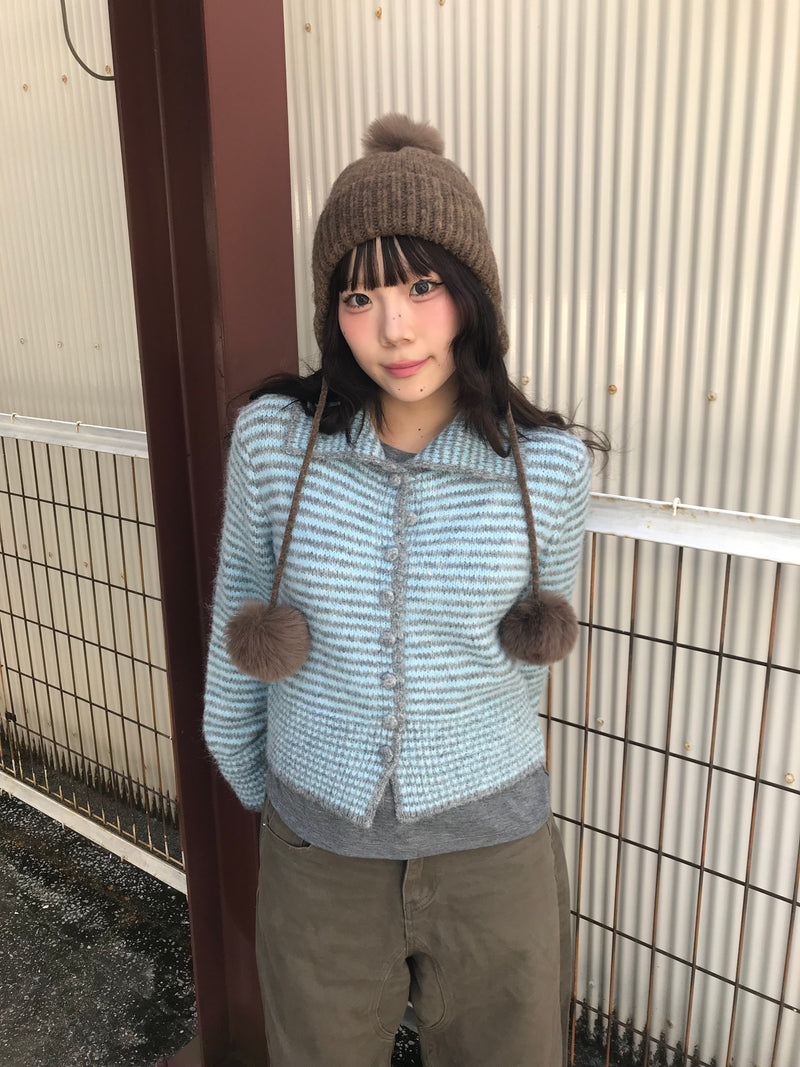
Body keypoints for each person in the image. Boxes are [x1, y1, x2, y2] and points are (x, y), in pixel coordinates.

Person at [203, 113, 607, 1067]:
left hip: (495, 852)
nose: (394, 328)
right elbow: (238, 628)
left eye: (423, 286)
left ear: (472, 293)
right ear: (331, 312)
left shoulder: (548, 468)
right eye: (360, 295)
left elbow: (525, 668)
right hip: (318, 853)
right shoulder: (274, 443)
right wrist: (279, 798)